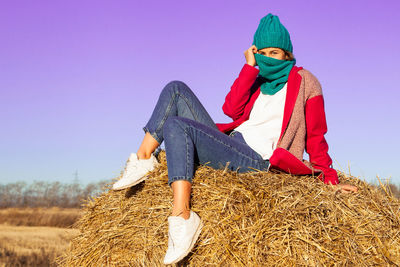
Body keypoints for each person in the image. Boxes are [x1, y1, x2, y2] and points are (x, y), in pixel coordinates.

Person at [112, 13, 358, 265]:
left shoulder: (306, 82)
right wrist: (250, 68)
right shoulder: (257, 80)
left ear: (287, 54)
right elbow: (231, 109)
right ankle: (143, 158)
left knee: (177, 125)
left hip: (258, 159)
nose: (268, 58)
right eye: (262, 52)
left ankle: (183, 216)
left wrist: (328, 180)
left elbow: (316, 134)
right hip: (231, 142)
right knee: (175, 89)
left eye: (274, 52)